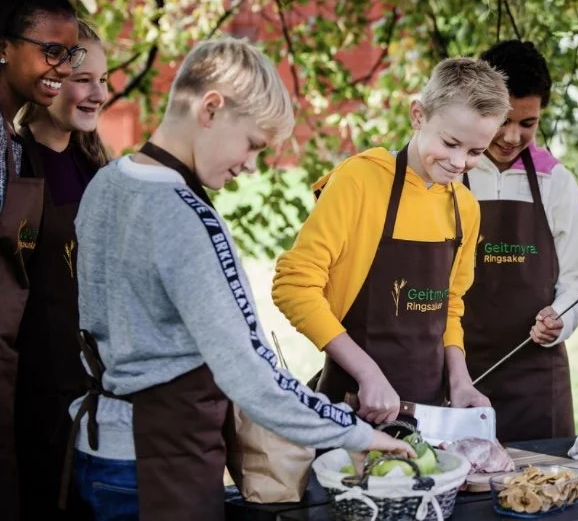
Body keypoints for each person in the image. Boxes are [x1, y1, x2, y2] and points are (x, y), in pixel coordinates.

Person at [68, 38, 413, 521]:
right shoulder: (188, 218)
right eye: (253, 143)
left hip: (96, 451)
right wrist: (359, 433)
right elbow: (252, 373)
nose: (251, 165)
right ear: (211, 108)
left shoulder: (106, 183)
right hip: (160, 464)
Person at [273, 58, 509, 424]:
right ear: (418, 115)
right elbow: (294, 286)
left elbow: (449, 305)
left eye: (476, 152)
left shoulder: (465, 206)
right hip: (350, 407)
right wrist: (368, 374)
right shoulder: (360, 181)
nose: (459, 163)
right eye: (450, 143)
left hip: (428, 413)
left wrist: (460, 380)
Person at [461, 40, 578, 441]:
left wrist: (560, 317)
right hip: (457, 374)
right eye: (502, 119)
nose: (512, 136)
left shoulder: (557, 182)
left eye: (528, 123)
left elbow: (577, 280)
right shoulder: (450, 172)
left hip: (536, 381)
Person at [12, 19, 107, 521]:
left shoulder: (101, 173)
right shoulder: (13, 163)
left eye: (104, 80)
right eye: (83, 79)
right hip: (28, 390)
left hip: (95, 393)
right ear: (50, 81)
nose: (98, 93)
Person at [0, 0, 84, 520]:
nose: (63, 67)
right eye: (50, 51)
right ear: (3, 49)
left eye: (69, 53)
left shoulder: (11, 143)